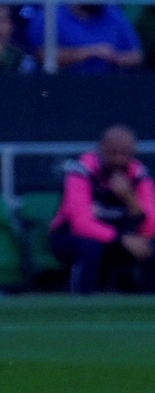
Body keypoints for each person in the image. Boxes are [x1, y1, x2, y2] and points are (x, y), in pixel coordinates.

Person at [50, 125, 155, 294]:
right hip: (73, 238)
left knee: (150, 246)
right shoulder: (82, 171)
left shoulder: (139, 175)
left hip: (122, 239)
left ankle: (145, 302)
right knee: (91, 247)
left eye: (125, 153)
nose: (119, 160)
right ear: (101, 149)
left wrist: (129, 198)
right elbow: (81, 224)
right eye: (113, 152)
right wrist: (122, 239)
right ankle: (82, 300)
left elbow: (150, 225)